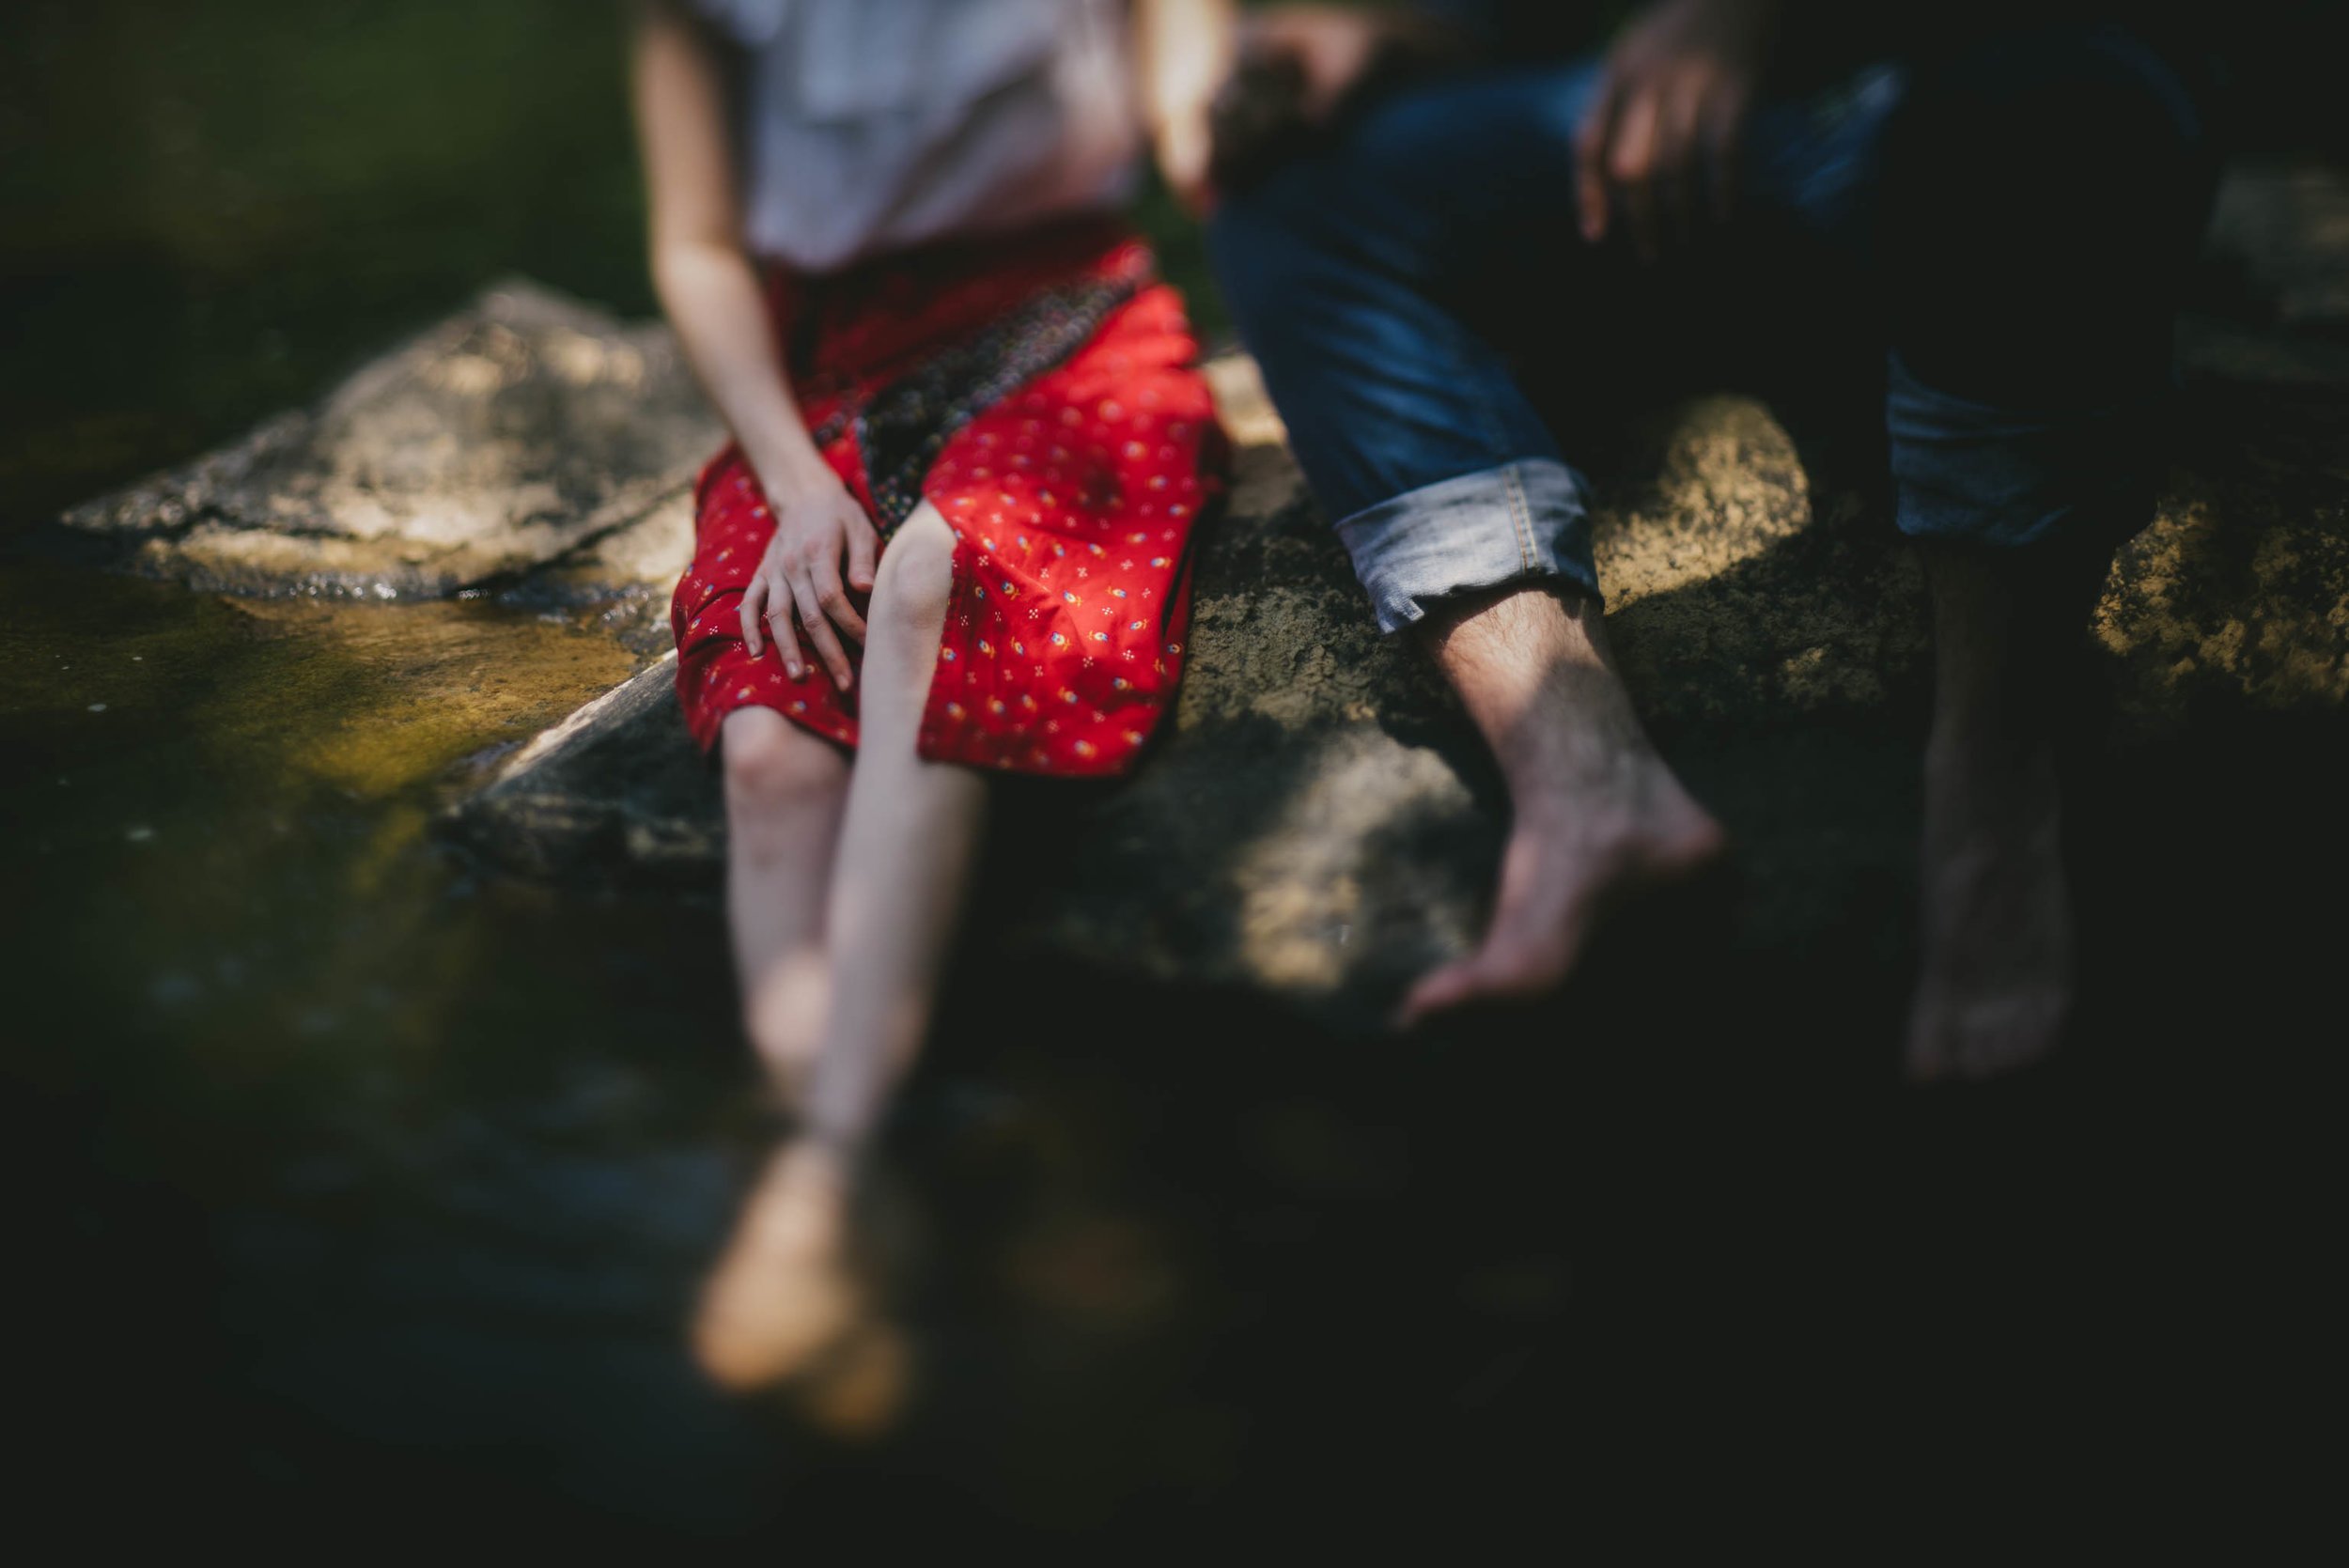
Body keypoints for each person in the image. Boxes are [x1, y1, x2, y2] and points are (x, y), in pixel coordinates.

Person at [1206, 1, 2226, 1080]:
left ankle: (1996, 790)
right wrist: (1401, 35)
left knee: (2051, 112)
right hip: (1728, 141)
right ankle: (1586, 790)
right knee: (1292, 191)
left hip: (1991, 65)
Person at [631, 0, 1233, 1396]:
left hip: (1071, 314)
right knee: (776, 749)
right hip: (821, 352)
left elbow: (1188, 97)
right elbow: (696, 245)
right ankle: (878, 1175)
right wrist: (789, 487)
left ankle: (822, 1180)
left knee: (936, 583)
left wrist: (1235, 119)